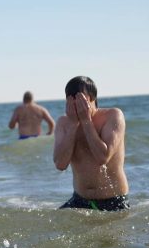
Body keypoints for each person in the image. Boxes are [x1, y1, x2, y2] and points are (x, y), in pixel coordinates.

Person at [53, 76, 129, 211]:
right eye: (71, 99)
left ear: (92, 98)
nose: (76, 103)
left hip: (113, 200)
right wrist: (72, 125)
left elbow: (102, 157)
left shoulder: (113, 115)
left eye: (80, 98)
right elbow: (60, 164)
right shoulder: (64, 123)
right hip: (79, 199)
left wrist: (86, 121)